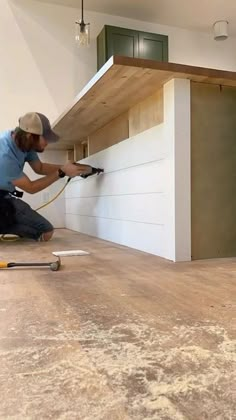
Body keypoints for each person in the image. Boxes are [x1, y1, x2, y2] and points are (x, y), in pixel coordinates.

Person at [0, 112, 97, 241]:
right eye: (45, 138)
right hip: (2, 198)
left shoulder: (22, 142)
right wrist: (62, 172)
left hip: (4, 196)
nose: (47, 143)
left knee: (42, 230)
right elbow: (31, 188)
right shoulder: (5, 156)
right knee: (45, 231)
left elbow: (39, 168)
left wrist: (69, 167)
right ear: (30, 136)